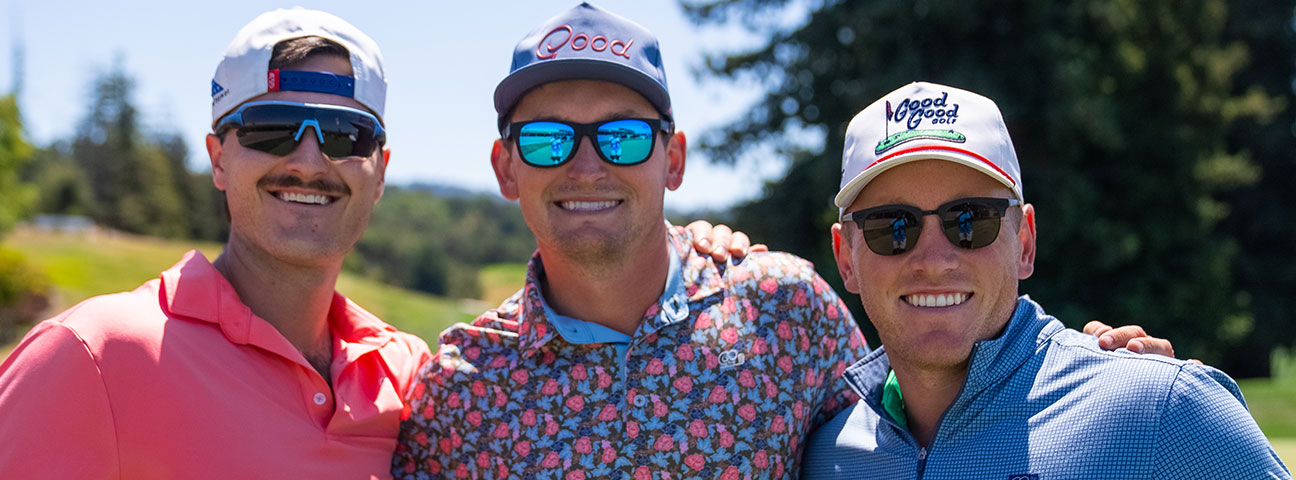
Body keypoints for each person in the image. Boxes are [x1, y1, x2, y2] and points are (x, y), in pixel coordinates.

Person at [391, 5, 1174, 479]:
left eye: (623, 137)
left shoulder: (782, 308)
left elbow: (923, 402)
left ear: (674, 159)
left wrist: (1102, 381)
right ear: (504, 167)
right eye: (548, 140)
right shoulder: (458, 390)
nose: (587, 164)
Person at [0, 9, 431, 478]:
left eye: (346, 134)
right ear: (218, 159)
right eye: (271, 128)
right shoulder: (92, 355)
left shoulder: (409, 376)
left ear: (380, 172)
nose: (308, 163)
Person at [803, 82, 1291, 478]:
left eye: (970, 219)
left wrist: (1167, 403)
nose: (933, 260)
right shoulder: (821, 455)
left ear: (1025, 243)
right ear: (846, 258)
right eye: (893, 226)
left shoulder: (1163, 410)